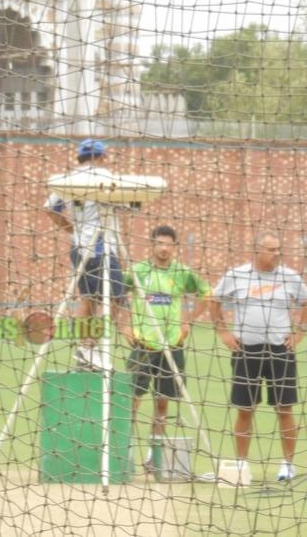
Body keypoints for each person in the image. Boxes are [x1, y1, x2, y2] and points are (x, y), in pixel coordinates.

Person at [209, 230, 307, 484]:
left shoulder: (289, 277)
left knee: (284, 409)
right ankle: (242, 465)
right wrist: (223, 331)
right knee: (245, 409)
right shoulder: (237, 275)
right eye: (271, 250)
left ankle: (288, 465)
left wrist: (299, 333)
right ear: (257, 250)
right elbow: (214, 300)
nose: (276, 254)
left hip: (280, 351)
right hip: (246, 351)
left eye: (278, 249)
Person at [120, 225, 211, 476]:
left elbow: (207, 293)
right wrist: (123, 325)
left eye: (168, 244)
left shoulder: (182, 272)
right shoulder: (138, 271)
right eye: (159, 243)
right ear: (152, 245)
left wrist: (188, 321)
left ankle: (153, 456)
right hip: (143, 345)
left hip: (172, 346)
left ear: (174, 247)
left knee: (162, 404)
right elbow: (115, 292)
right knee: (131, 401)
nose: (163, 248)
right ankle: (124, 453)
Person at [44, 138, 125, 371]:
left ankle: (85, 348)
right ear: (100, 157)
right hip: (101, 246)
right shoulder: (105, 176)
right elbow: (128, 204)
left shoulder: (68, 179)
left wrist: (72, 229)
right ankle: (90, 346)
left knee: (89, 298)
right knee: (116, 298)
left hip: (79, 247)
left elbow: (49, 208)